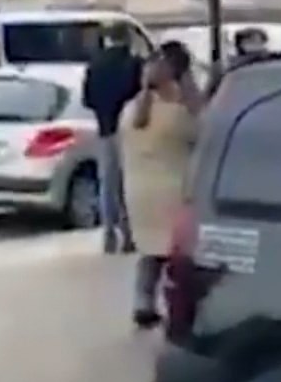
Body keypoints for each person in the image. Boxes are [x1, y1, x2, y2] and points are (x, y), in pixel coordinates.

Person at [122, 41, 205, 328]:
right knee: (178, 255)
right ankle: (179, 308)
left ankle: (142, 302)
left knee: (150, 252)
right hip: (172, 190)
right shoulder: (178, 114)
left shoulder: (131, 110)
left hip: (138, 191)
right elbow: (204, 134)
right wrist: (192, 92)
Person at [79, 23, 143, 255]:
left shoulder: (95, 64)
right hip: (129, 129)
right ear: (127, 38)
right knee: (128, 182)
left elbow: (87, 99)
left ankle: (108, 232)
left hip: (104, 128)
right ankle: (128, 233)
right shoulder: (134, 63)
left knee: (107, 182)